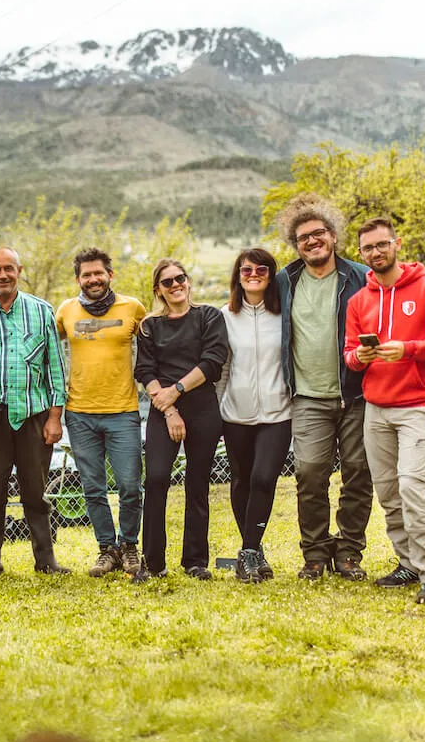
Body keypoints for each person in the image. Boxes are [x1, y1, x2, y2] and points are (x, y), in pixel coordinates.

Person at [344, 218, 425, 604]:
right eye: (368, 248)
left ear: (397, 244)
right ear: (361, 254)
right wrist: (359, 356)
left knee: (413, 488)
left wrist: (408, 349)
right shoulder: (360, 301)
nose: (375, 252)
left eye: (382, 244)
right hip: (376, 408)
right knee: (390, 493)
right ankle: (408, 562)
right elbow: (349, 355)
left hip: (417, 407)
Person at [274, 193, 374, 581]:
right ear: (296, 245)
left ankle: (349, 552)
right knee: (311, 473)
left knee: (357, 472)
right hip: (307, 397)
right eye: (303, 238)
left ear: (333, 236)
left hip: (356, 393)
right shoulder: (286, 280)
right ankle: (314, 553)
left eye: (318, 234)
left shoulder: (358, 276)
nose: (312, 241)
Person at [0, 247, 70, 582]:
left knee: (35, 490)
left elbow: (55, 369)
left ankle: (46, 561)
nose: (2, 275)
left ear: (19, 270)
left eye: (8, 268)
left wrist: (54, 417)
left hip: (35, 416)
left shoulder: (41, 311)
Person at [132, 259, 229, 583]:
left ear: (188, 282)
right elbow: (145, 370)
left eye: (180, 278)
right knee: (156, 478)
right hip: (163, 412)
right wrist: (170, 407)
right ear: (158, 289)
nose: (175, 285)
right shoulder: (149, 326)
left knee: (197, 482)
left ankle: (195, 561)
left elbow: (213, 361)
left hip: (202, 408)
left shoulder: (208, 317)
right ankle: (153, 562)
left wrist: (176, 391)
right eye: (167, 282)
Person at [55, 247, 147, 577]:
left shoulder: (133, 307)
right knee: (92, 488)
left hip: (123, 411)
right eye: (86, 275)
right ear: (78, 279)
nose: (93, 279)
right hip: (79, 413)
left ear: (110, 274)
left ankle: (129, 547)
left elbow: (156, 347)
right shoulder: (66, 311)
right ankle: (107, 549)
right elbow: (49, 351)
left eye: (98, 273)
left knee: (129, 486)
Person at [219, 248, 291, 583]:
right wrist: (215, 409)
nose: (253, 274)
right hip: (236, 414)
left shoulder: (285, 315)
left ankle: (247, 551)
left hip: (278, 413)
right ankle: (255, 552)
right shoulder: (225, 316)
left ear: (271, 274)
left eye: (261, 268)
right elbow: (220, 369)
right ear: (237, 276)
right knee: (242, 481)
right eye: (246, 270)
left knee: (264, 478)